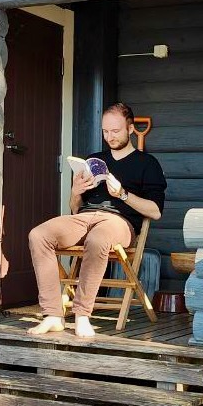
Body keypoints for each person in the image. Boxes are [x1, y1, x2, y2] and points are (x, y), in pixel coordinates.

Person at [28, 103, 167, 338]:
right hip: (85, 216)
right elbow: (75, 208)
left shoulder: (147, 163)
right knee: (38, 235)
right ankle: (52, 315)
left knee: (98, 239)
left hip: (119, 222)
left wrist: (122, 194)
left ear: (131, 129)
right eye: (105, 132)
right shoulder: (94, 160)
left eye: (115, 131)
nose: (110, 137)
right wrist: (75, 191)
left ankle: (82, 315)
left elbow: (155, 211)